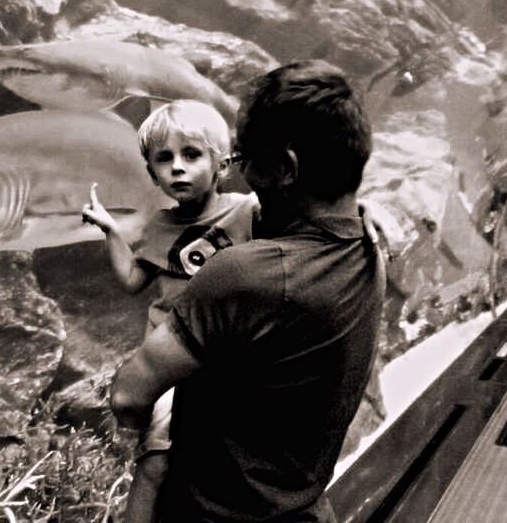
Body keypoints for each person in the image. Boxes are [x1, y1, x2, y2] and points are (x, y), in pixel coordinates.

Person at [109, 60, 386, 523]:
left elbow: (128, 396)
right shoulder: (372, 247)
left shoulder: (245, 275)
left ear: (286, 168)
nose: (239, 175)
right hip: (302, 502)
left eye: (243, 161)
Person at [82, 99, 259, 523]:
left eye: (192, 155)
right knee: (157, 461)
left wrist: (362, 209)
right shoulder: (157, 227)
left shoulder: (248, 211)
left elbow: (304, 226)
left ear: (222, 164)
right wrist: (111, 230)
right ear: (151, 173)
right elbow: (132, 281)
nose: (177, 167)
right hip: (171, 361)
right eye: (165, 159)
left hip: (234, 356)